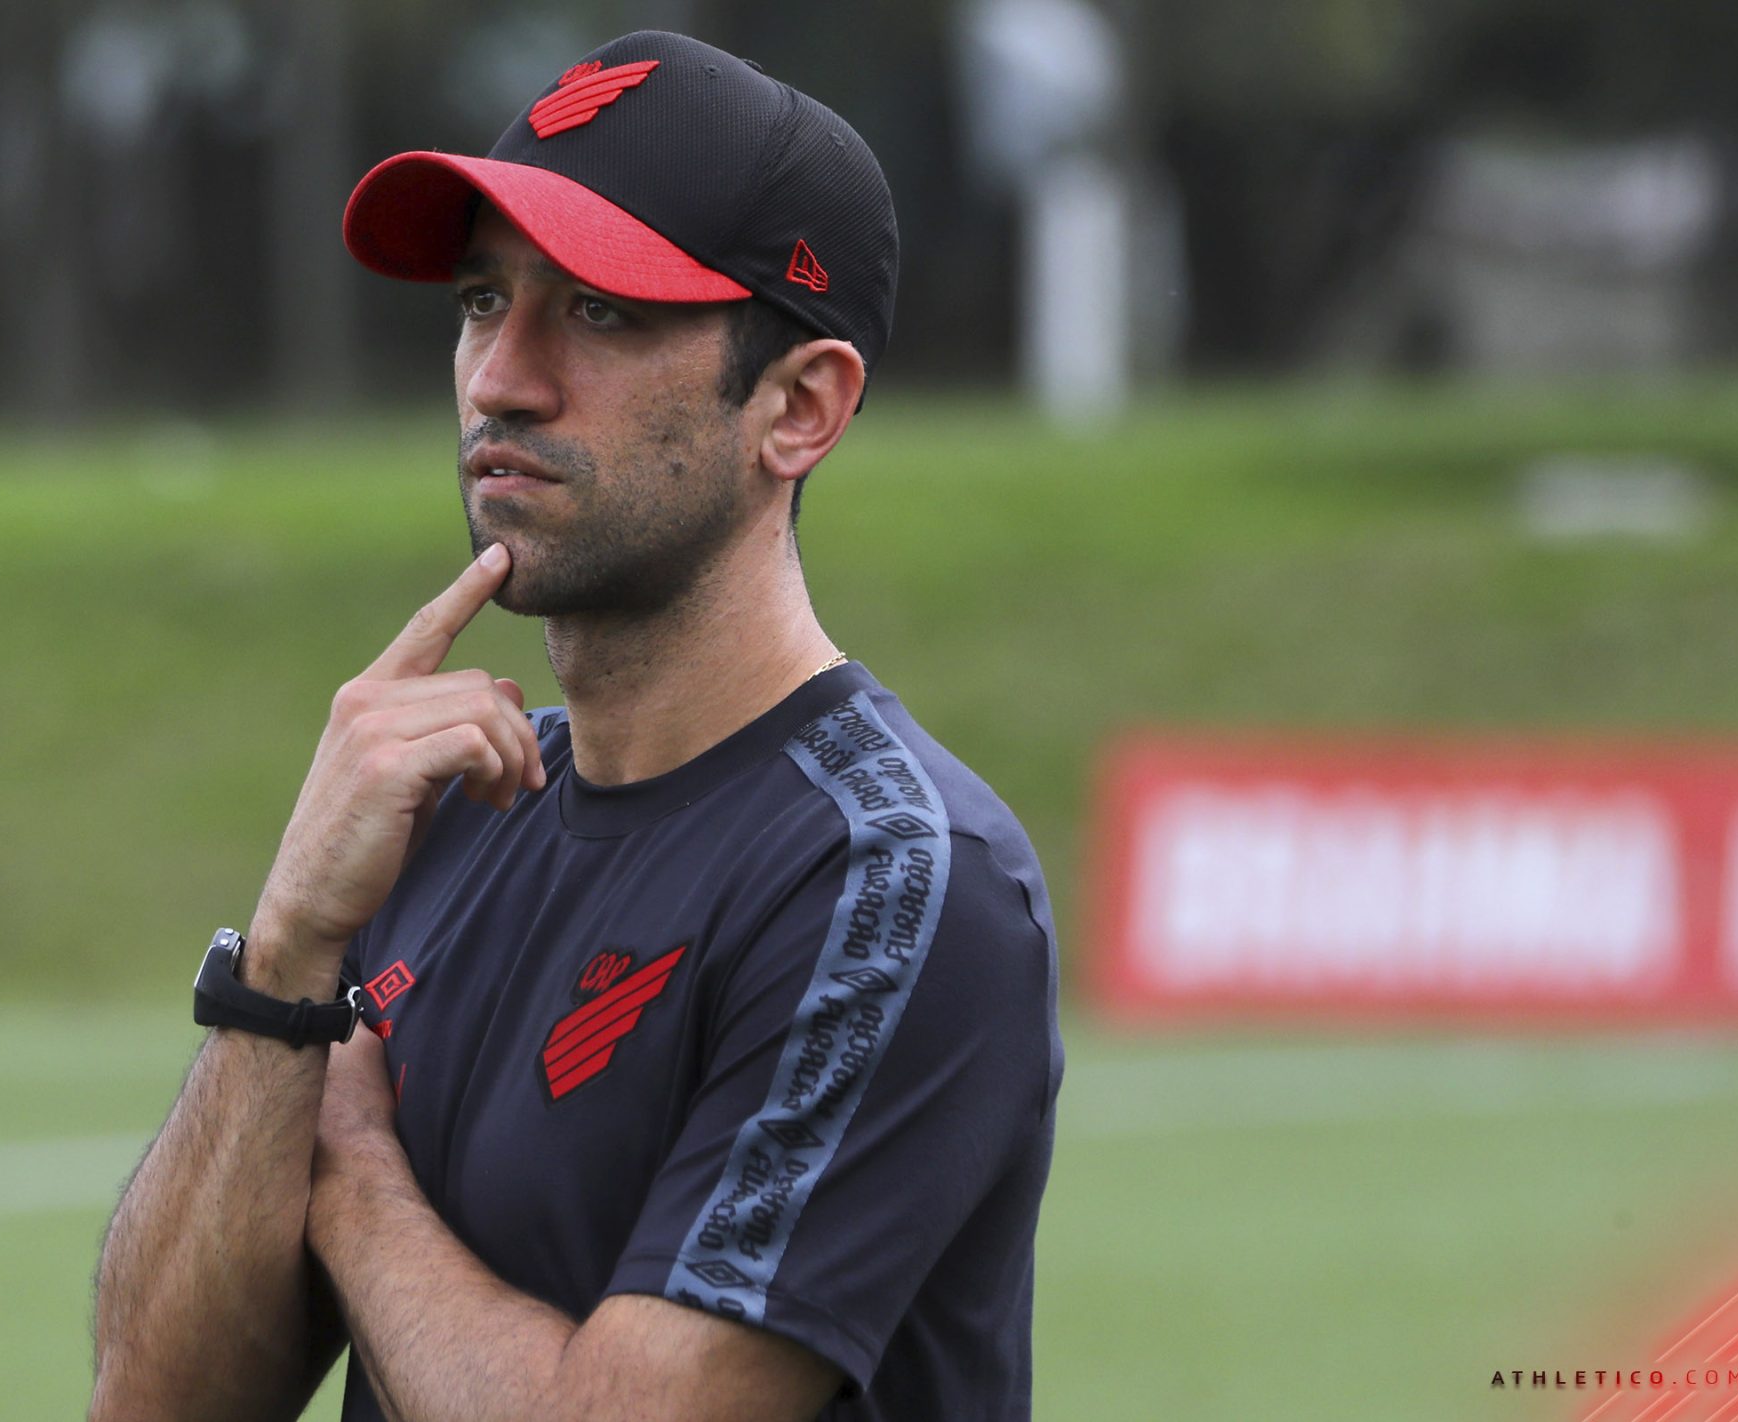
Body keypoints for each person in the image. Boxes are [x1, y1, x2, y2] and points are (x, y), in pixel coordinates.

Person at [89, 30, 1062, 1422]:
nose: (502, 377)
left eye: (599, 311)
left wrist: (355, 1176)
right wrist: (289, 949)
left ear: (800, 407)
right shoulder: (445, 813)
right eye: (486, 300)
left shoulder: (896, 876)